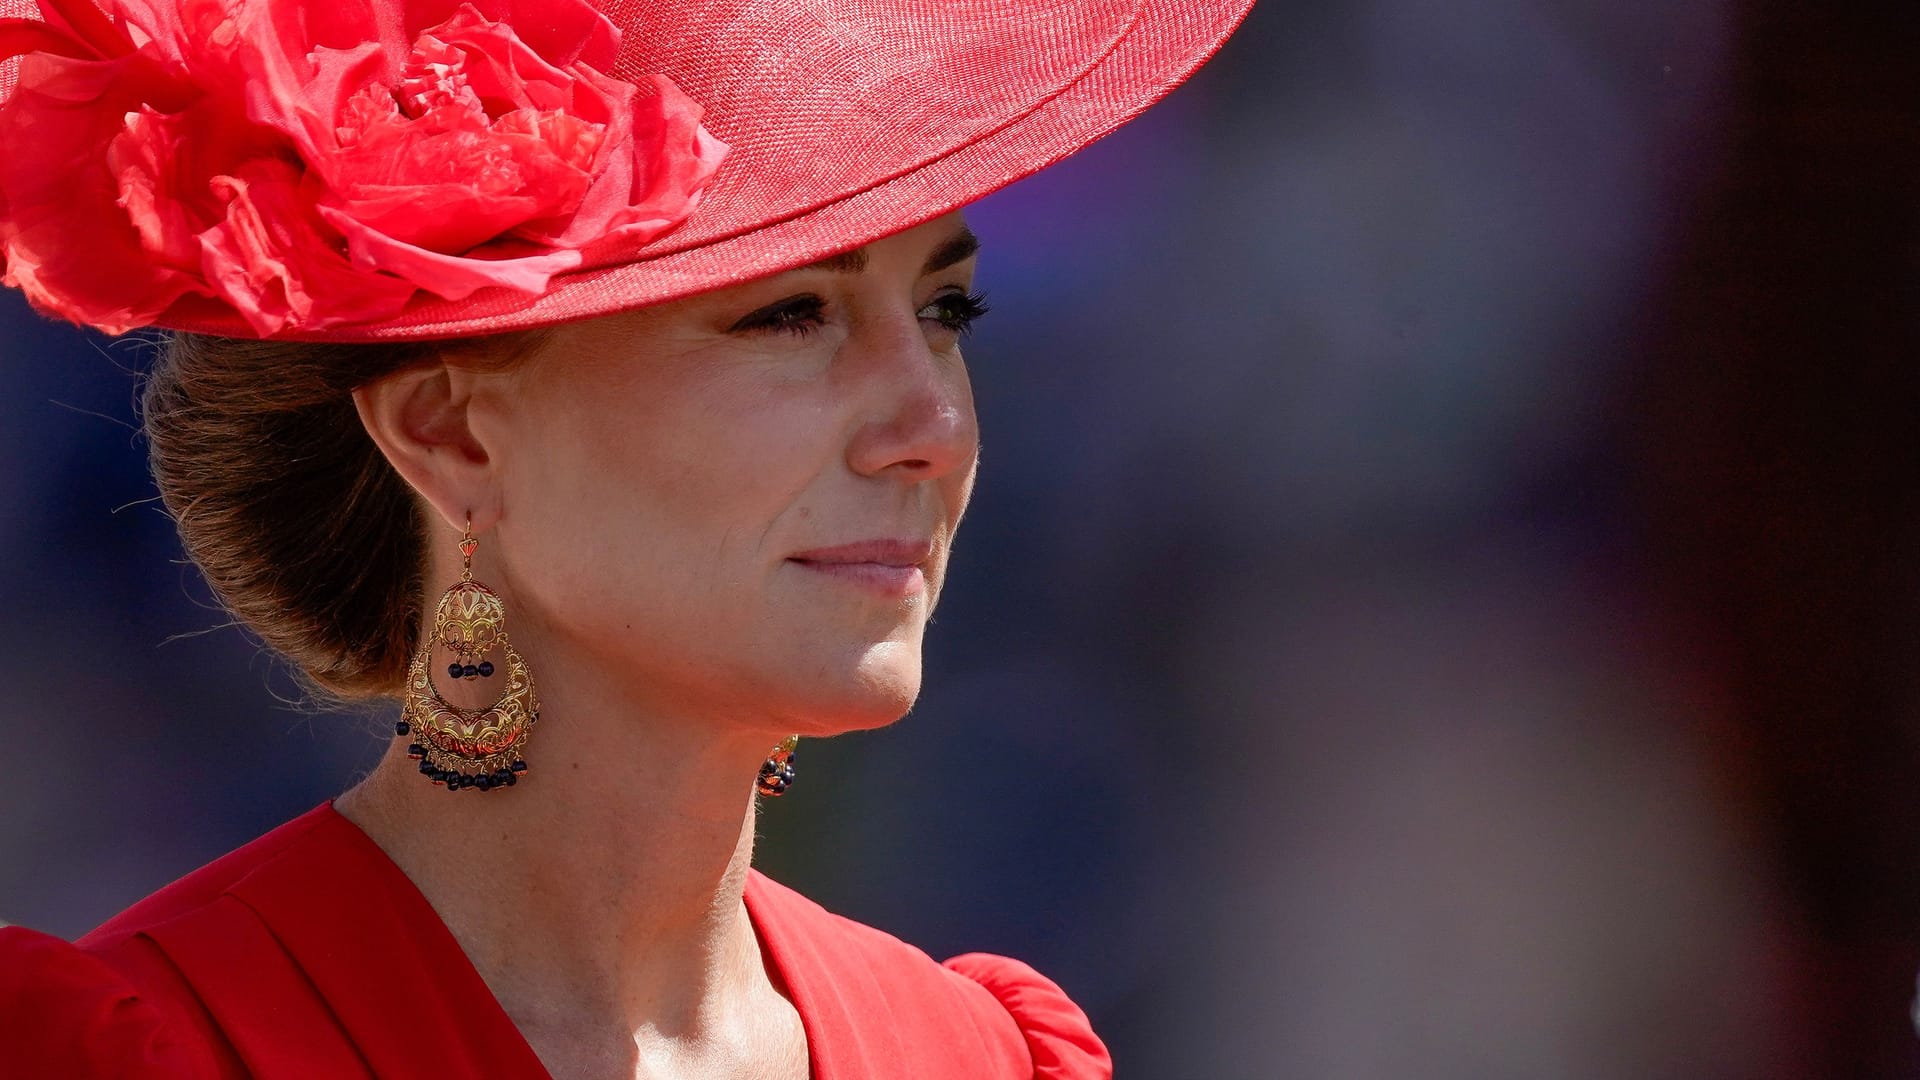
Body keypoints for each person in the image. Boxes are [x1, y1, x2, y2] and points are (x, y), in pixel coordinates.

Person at [0, 0, 1254, 1075]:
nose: (930, 423)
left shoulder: (966, 1052)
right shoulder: (167, 1048)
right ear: (454, 435)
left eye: (946, 307)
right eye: (790, 315)